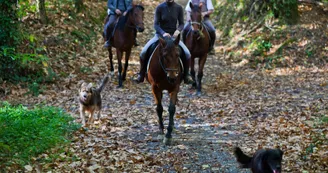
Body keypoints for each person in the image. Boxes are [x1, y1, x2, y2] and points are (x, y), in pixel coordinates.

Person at [134, 0, 193, 84]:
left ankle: (187, 75)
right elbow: (156, 25)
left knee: (187, 53)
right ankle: (141, 74)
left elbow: (181, 24)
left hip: (173, 37)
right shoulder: (160, 7)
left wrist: (178, 31)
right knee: (143, 52)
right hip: (160, 36)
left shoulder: (178, 8)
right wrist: (163, 33)